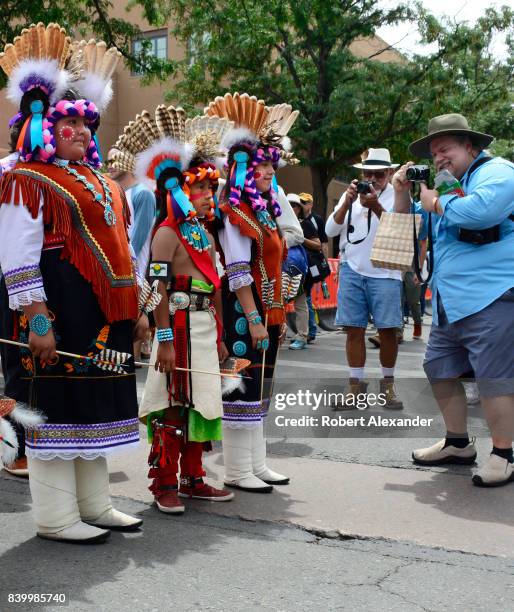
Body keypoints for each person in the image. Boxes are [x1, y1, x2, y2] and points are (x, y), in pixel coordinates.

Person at [0, 24, 143, 542]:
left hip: (101, 314)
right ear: (42, 129)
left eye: (87, 126)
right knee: (55, 404)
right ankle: (55, 518)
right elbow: (17, 255)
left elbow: (127, 250)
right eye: (68, 127)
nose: (82, 133)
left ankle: (96, 505)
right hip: (55, 307)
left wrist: (138, 309)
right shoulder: (25, 177)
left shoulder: (103, 181)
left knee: (95, 403)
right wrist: (36, 319)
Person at [118, 105, 235, 513]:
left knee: (201, 400)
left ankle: (194, 478)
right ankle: (164, 483)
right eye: (200, 188)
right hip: (178, 327)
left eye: (212, 187)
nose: (208, 195)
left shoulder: (204, 232)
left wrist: (220, 338)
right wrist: (163, 339)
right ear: (182, 190)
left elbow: (215, 286)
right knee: (172, 403)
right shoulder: (167, 232)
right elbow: (159, 287)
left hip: (203, 327)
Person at [393, 113, 514, 486]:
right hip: (450, 301)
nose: (438, 158)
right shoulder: (444, 189)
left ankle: (504, 455)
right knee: (440, 368)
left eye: (445, 149)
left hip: (490, 295)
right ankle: (458, 443)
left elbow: (481, 211)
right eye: (433, 153)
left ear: (470, 146)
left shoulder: (499, 172)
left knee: (494, 379)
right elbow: (403, 228)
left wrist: (435, 203)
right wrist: (401, 193)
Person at [206, 92, 298, 492]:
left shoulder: (262, 209)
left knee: (260, 386)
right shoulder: (233, 211)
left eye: (270, 167)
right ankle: (238, 470)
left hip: (267, 307)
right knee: (242, 388)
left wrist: (276, 311)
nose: (268, 173)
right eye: (261, 166)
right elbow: (239, 270)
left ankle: (256, 464)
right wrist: (256, 318)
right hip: (245, 308)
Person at [325, 148, 404, 409]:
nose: (372, 178)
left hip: (386, 271)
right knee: (353, 330)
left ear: (390, 173)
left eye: (379, 174)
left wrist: (378, 207)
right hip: (352, 268)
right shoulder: (354, 195)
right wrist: (347, 202)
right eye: (367, 173)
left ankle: (388, 386)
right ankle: (355, 388)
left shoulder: (398, 194)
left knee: (388, 331)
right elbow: (330, 230)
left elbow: (401, 230)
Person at [106, 146, 156, 361]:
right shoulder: (115, 191)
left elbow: (137, 239)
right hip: (117, 268)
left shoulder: (143, 193)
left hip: (136, 270)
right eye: (109, 161)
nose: (111, 165)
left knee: (130, 343)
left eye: (116, 159)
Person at [297, 192, 329, 344]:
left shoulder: (315, 220)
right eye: (298, 203)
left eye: (303, 202)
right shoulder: (293, 221)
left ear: (310, 204)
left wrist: (325, 263)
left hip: (312, 264)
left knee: (305, 297)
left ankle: (310, 330)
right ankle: (309, 330)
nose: (301, 205)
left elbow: (322, 243)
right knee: (305, 297)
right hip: (298, 264)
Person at [286, 193, 311, 349]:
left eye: (294, 205)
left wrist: (300, 239)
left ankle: (302, 336)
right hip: (279, 267)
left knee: (300, 303)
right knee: (277, 302)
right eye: (288, 204)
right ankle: (278, 333)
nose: (291, 208)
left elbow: (317, 245)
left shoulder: (306, 224)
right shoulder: (276, 222)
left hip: (299, 269)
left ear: (300, 209)